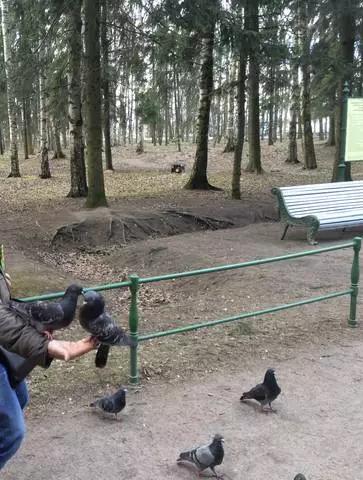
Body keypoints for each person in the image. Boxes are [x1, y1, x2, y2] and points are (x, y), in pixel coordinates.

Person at [0, 270, 98, 470]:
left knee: (20, 399)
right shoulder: (60, 310)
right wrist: (43, 345)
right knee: (13, 430)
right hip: (8, 333)